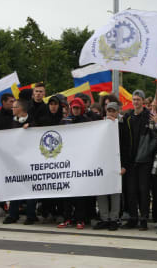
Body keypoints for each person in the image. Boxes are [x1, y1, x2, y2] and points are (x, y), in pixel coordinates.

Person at [121, 90, 157, 230]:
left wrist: (147, 152)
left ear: (143, 101)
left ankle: (143, 219)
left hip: (144, 161)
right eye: (134, 99)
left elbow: (156, 137)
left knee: (143, 190)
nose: (136, 102)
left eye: (138, 99)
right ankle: (133, 217)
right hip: (130, 161)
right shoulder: (127, 116)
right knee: (130, 191)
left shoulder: (149, 116)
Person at [58, 98, 91, 229]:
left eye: (78, 108)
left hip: (81, 161)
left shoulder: (87, 121)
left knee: (80, 193)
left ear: (81, 108)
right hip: (67, 161)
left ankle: (80, 219)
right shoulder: (64, 121)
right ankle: (67, 218)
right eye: (74, 108)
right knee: (67, 193)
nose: (76, 110)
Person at [2, 99, 37, 225]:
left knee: (30, 188)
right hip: (16, 161)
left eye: (15, 107)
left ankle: (31, 215)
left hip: (30, 162)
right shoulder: (12, 122)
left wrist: (31, 127)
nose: (12, 108)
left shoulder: (33, 121)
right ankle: (13, 214)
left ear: (21, 109)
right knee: (15, 187)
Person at [94, 102, 126, 231]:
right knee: (101, 191)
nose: (111, 114)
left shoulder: (122, 126)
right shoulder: (99, 126)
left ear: (118, 112)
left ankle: (114, 219)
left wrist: (125, 165)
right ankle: (104, 218)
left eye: (113, 111)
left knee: (114, 192)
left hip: (116, 164)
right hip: (101, 163)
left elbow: (126, 147)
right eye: (109, 111)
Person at [0, 93, 15, 217]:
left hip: (13, 153)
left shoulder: (15, 116)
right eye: (11, 101)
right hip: (0, 154)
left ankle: (14, 205)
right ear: (3, 102)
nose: (12, 104)